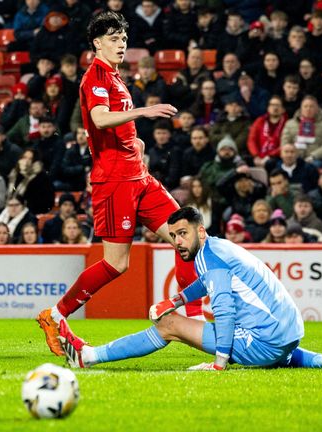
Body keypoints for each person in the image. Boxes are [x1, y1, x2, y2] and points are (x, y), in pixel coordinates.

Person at [37, 12, 202, 359]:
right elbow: (99, 119)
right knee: (116, 263)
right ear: (97, 43)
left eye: (124, 39)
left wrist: (134, 143)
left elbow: (113, 126)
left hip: (139, 176)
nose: (121, 44)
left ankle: (198, 321)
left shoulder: (114, 76)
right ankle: (56, 315)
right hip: (114, 182)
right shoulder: (95, 77)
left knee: (189, 237)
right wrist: (144, 112)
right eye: (113, 39)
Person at [59, 207, 322, 371]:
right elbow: (207, 284)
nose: (177, 241)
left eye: (183, 233)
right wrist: (176, 299)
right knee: (270, 347)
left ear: (200, 231)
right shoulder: (217, 248)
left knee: (169, 325)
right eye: (173, 235)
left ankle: (88, 356)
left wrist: (219, 363)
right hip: (289, 335)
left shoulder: (211, 259)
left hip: (265, 340)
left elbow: (224, 310)